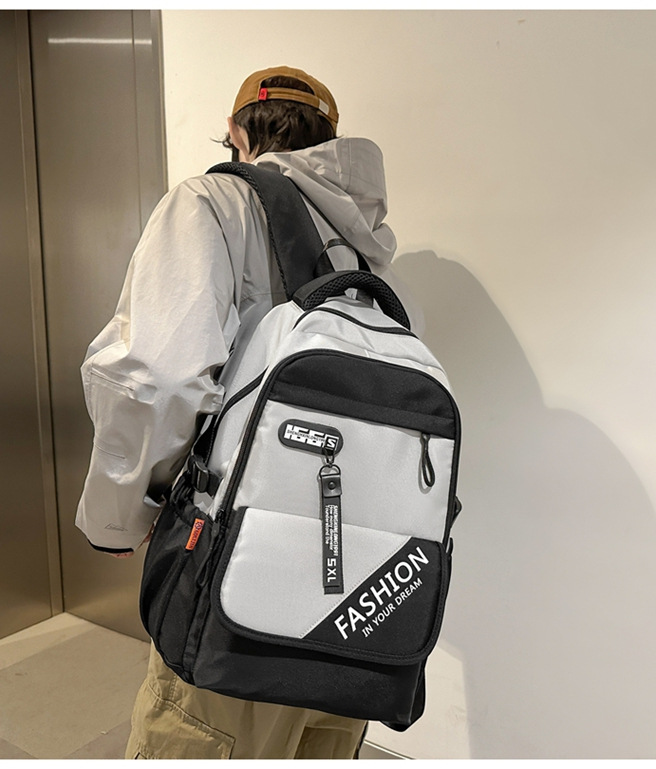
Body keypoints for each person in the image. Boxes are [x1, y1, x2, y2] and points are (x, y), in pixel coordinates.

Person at [74, 65, 422, 759]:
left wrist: (118, 516)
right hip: (353, 594)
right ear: (328, 138)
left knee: (204, 733)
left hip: (238, 578)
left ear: (235, 131)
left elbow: (158, 376)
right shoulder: (363, 246)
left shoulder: (212, 201)